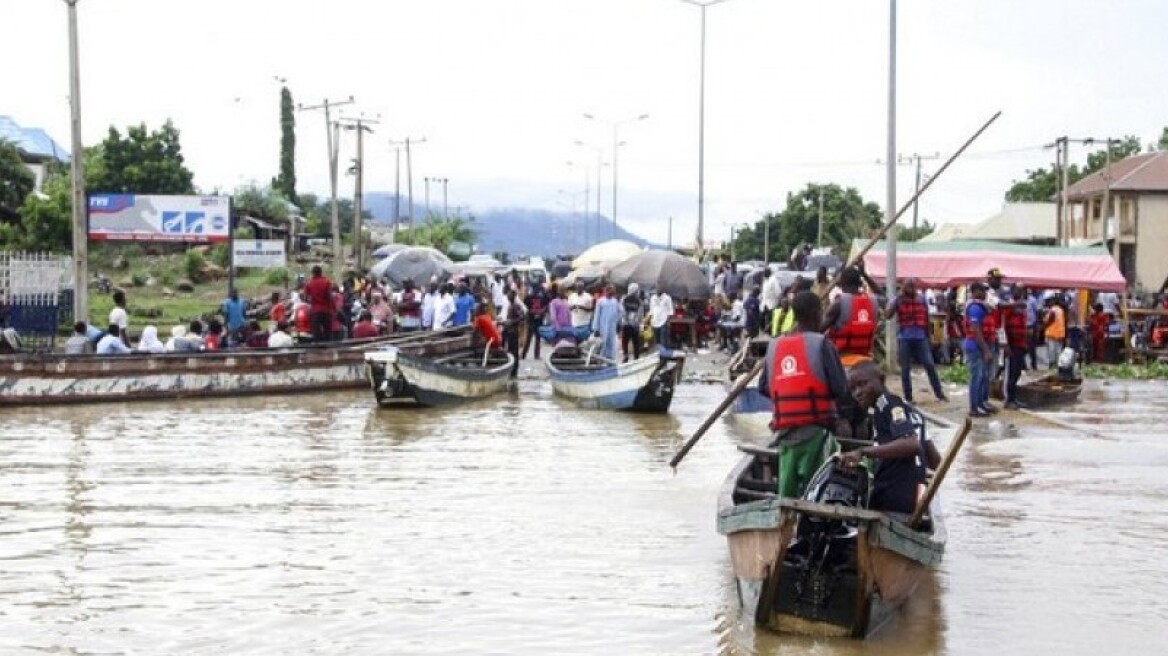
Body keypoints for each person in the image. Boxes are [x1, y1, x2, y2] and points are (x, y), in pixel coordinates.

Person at [757, 291, 855, 498]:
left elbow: (764, 386)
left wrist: (789, 390)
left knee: (787, 493)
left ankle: (785, 521)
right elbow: (840, 389)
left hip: (784, 433)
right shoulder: (822, 344)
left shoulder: (775, 346)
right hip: (816, 432)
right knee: (815, 491)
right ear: (815, 314)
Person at [840, 361, 942, 515]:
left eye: (863, 384)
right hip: (914, 498)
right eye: (853, 389)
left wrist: (862, 452)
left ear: (881, 380)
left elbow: (911, 444)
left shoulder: (885, 404)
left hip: (893, 497)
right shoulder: (912, 412)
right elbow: (936, 462)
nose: (857, 393)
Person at [882, 277, 947, 403]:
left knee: (929, 365)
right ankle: (908, 397)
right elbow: (887, 315)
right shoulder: (898, 300)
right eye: (908, 286)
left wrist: (930, 337)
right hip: (905, 337)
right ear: (904, 287)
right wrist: (894, 302)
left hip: (920, 337)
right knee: (905, 369)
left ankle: (939, 393)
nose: (911, 289)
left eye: (913, 286)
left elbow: (926, 318)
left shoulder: (921, 299)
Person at [823, 266, 878, 368]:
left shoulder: (839, 303)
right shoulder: (873, 301)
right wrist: (865, 275)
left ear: (841, 283)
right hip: (867, 360)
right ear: (859, 283)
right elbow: (884, 296)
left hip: (842, 361)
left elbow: (818, 329)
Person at [963, 282, 998, 418]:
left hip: (982, 345)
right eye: (983, 290)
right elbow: (976, 329)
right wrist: (986, 350)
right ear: (975, 291)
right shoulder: (975, 308)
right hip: (975, 346)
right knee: (976, 377)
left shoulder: (982, 306)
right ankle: (974, 408)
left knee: (983, 376)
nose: (985, 293)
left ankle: (981, 403)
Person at [1001, 284, 1031, 409]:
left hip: (1020, 344)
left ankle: (1013, 398)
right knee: (1011, 372)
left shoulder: (1022, 308)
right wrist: (1006, 345)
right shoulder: (1009, 307)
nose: (1020, 293)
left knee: (1017, 372)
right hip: (1012, 344)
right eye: (1018, 290)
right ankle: (1009, 399)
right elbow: (1003, 326)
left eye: (1022, 290)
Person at [303, 265, 334, 343]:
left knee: (316, 334)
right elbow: (330, 296)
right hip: (326, 310)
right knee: (328, 333)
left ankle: (317, 352)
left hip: (315, 311)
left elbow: (306, 298)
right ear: (321, 272)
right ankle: (328, 351)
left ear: (313, 273)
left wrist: (312, 301)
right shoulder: (327, 282)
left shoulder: (309, 283)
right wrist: (333, 308)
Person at [591, 285, 621, 362]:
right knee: (602, 344)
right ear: (606, 291)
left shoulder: (615, 301)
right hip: (602, 327)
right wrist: (596, 329)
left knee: (612, 344)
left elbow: (619, 313)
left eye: (612, 291)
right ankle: (600, 361)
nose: (611, 292)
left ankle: (611, 361)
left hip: (612, 327)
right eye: (609, 290)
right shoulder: (600, 301)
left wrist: (618, 323)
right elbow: (597, 315)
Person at [522, 281, 550, 359]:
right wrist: (541, 311)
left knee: (529, 338)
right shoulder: (543, 295)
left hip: (531, 318)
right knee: (537, 337)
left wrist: (531, 311)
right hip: (538, 319)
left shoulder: (529, 295)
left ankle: (524, 355)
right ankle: (536, 355)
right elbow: (547, 304)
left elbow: (525, 306)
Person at [619, 283, 645, 362]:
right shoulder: (639, 301)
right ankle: (635, 357)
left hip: (627, 324)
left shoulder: (624, 299)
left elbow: (621, 310)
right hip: (633, 324)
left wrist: (626, 318)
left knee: (625, 341)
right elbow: (640, 313)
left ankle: (626, 356)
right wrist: (637, 321)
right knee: (635, 341)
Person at [502, 288, 525, 378]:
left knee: (514, 352)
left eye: (510, 295)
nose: (508, 296)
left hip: (513, 332)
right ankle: (512, 370)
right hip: (509, 331)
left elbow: (522, 317)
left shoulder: (516, 306)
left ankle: (514, 371)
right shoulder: (510, 306)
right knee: (510, 351)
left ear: (513, 296)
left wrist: (512, 321)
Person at [1042, 292, 1067, 369]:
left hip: (1052, 334)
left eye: (1048, 301)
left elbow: (1047, 321)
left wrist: (1043, 322)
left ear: (1052, 301)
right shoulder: (1060, 310)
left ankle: (1052, 368)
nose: (1047, 303)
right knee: (1058, 353)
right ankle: (1058, 368)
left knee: (1052, 354)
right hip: (1059, 335)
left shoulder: (1052, 310)